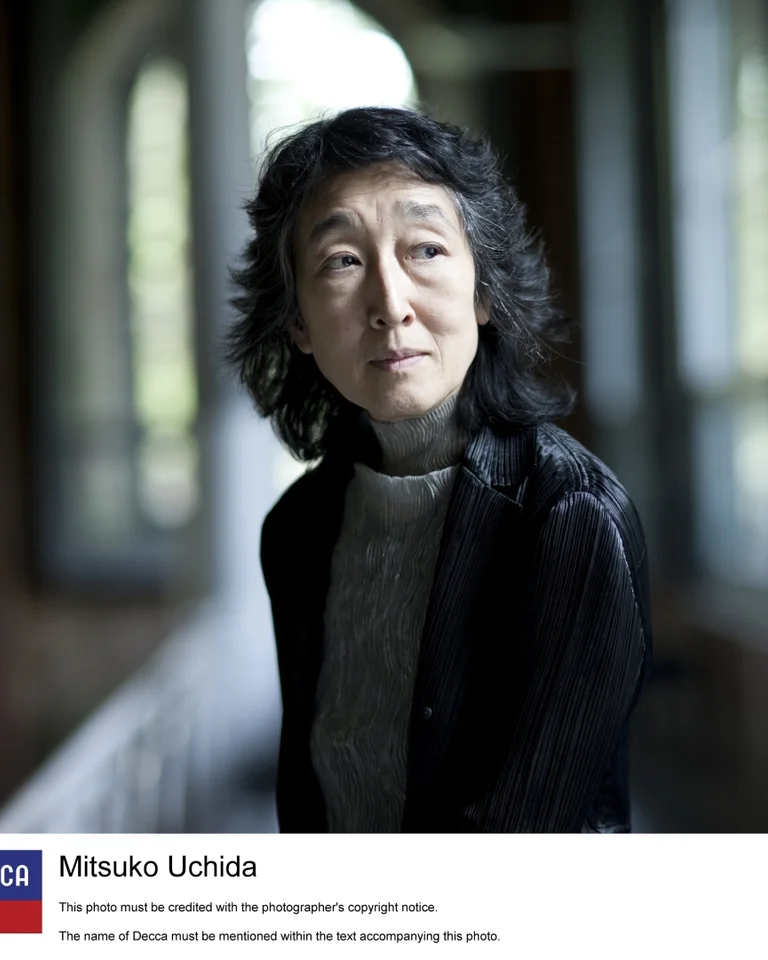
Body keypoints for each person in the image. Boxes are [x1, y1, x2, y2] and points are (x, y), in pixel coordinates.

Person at [227, 106, 652, 833]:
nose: (390, 306)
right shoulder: (297, 530)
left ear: (483, 290)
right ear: (297, 320)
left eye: (425, 249)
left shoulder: (569, 517)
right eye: (342, 261)